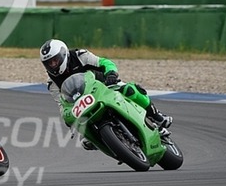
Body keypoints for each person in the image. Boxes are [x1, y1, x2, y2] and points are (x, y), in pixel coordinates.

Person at [39, 39, 173, 149]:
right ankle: (112, 146)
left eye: (55, 60)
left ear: (64, 54)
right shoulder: (52, 83)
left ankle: (156, 116)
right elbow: (62, 104)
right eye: (49, 63)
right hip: (82, 103)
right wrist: (68, 118)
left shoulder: (80, 56)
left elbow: (104, 62)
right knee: (85, 141)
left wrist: (111, 73)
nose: (53, 65)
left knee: (130, 90)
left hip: (104, 85)